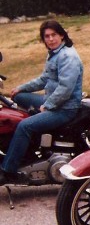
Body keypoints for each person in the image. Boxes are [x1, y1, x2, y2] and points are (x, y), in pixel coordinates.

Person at [0, 20, 83, 185]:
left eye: (54, 35)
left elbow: (65, 89)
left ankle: (8, 170)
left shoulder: (68, 57)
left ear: (61, 35)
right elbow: (44, 79)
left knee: (24, 126)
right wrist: (20, 89)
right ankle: (26, 144)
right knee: (19, 97)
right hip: (51, 101)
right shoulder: (54, 54)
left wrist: (47, 106)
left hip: (64, 108)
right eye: (47, 36)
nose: (51, 39)